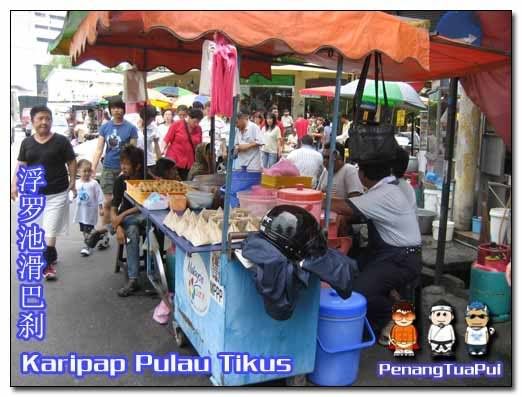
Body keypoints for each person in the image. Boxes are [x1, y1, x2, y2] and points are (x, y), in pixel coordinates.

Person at [330, 160, 422, 335]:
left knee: (358, 292)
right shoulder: (389, 188)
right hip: (390, 253)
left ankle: (392, 316)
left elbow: (343, 206)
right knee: (350, 269)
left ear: (362, 175)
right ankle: (389, 300)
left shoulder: (381, 194)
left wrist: (315, 197)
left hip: (400, 259)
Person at [11, 105, 77, 280]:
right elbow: (21, 164)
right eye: (40, 118)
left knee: (50, 229)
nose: (44, 122)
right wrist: (14, 184)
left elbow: (71, 162)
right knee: (39, 231)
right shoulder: (27, 143)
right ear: (32, 121)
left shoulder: (61, 141)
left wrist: (73, 182)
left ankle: (47, 265)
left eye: (47, 118)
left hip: (57, 192)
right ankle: (51, 254)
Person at [89, 97, 138, 249]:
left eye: (119, 107)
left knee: (121, 202)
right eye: (114, 107)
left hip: (124, 170)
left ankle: (114, 228)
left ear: (124, 109)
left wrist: (129, 169)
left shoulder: (131, 128)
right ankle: (105, 236)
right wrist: (93, 166)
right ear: (110, 110)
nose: (116, 110)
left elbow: (132, 153)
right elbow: (99, 149)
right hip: (109, 167)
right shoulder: (105, 127)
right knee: (108, 201)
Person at [111, 145, 147, 297]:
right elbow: (113, 207)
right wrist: (118, 226)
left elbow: (146, 204)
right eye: (122, 163)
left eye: (126, 164)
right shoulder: (120, 181)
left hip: (144, 214)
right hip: (128, 220)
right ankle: (133, 279)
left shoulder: (146, 179)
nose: (123, 167)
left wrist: (123, 215)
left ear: (137, 166)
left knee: (150, 222)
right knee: (131, 231)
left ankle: (155, 270)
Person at [73, 159, 104, 257]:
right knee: (84, 230)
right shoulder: (76, 183)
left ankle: (87, 246)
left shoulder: (94, 183)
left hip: (90, 212)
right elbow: (73, 194)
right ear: (78, 171)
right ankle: (97, 237)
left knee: (88, 230)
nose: (87, 173)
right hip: (80, 212)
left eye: (88, 171)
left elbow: (100, 195)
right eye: (84, 171)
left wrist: (101, 207)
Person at [163, 108, 204, 180]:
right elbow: (167, 139)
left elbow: (199, 146)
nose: (196, 124)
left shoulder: (199, 129)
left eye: (198, 122)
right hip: (174, 161)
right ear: (189, 118)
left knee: (185, 185)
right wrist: (161, 151)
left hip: (189, 163)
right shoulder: (177, 124)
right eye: (195, 122)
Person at [137, 105, 161, 176]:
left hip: (149, 162)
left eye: (153, 118)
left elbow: (157, 146)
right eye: (150, 119)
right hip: (137, 162)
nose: (152, 121)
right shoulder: (134, 127)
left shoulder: (153, 128)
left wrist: (160, 161)